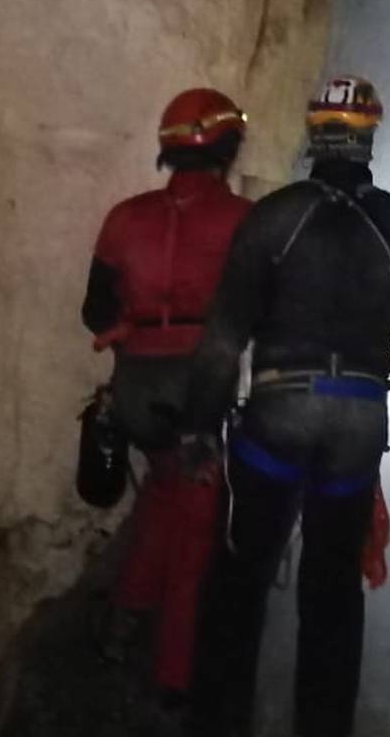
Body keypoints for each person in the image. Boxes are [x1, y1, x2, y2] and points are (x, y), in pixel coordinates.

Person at [186, 74, 390, 737]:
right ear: (369, 138)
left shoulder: (276, 216)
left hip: (279, 414)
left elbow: (225, 337)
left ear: (313, 134)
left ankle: (220, 722)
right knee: (332, 592)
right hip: (357, 425)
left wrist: (198, 428)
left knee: (241, 579)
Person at [81, 87, 251, 703]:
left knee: (162, 494)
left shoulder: (125, 218)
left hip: (137, 385)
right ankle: (175, 675)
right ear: (226, 148)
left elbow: (95, 310)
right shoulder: (242, 221)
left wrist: (134, 327)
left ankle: (121, 623)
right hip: (199, 385)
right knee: (195, 527)